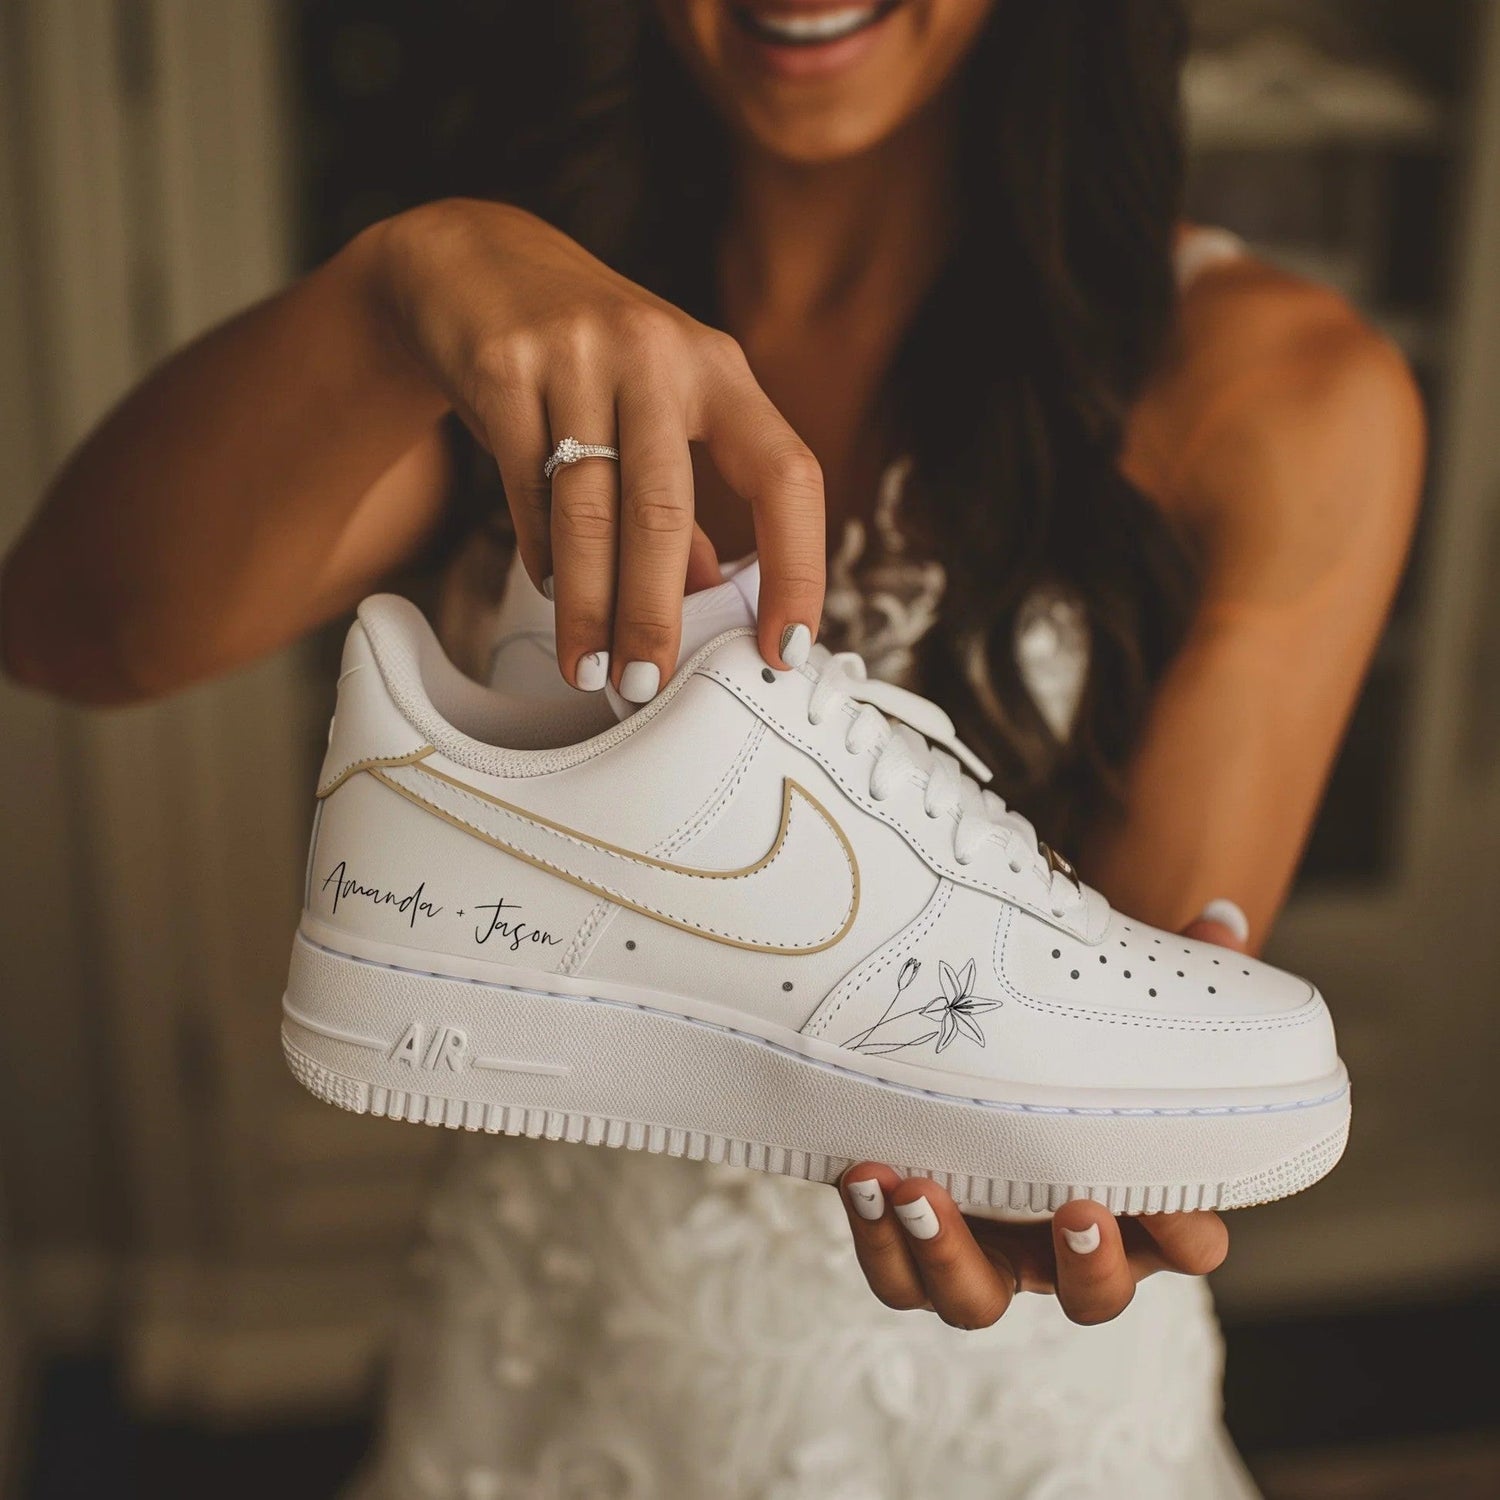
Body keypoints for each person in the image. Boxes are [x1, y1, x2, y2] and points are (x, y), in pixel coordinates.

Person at [1, 2, 1423, 1494]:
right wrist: (405, 281)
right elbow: (72, 631)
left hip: (1008, 1429)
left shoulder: (1284, 385)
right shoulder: (513, 337)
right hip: (549, 1363)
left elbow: (1134, 1036)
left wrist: (1103, 1163)